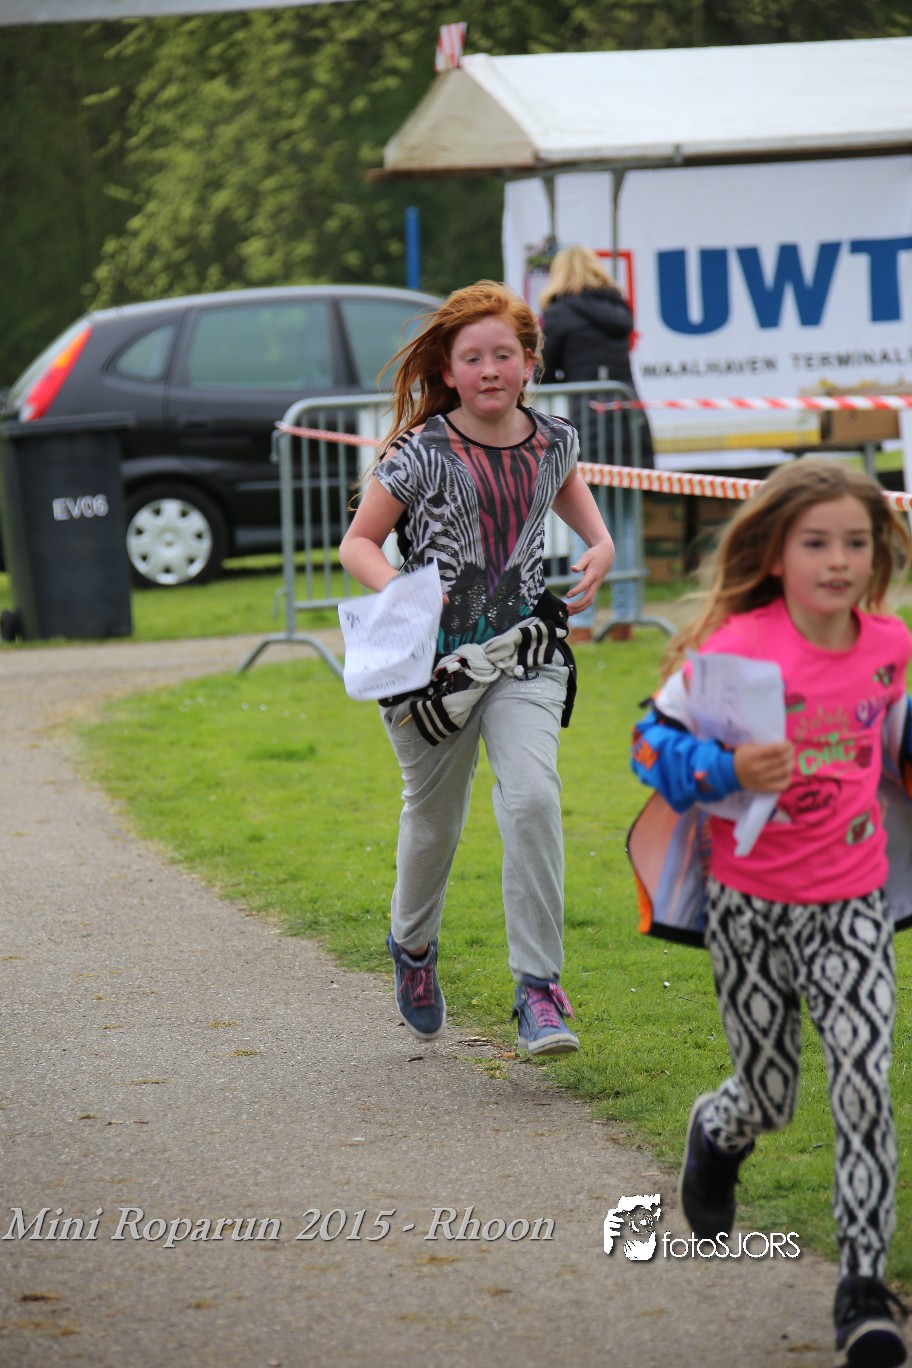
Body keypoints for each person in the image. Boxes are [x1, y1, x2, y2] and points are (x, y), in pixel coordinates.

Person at [629, 458, 912, 1368]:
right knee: (772, 1096)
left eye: (857, 543)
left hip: (854, 905)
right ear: (777, 553)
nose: (839, 561)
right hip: (749, 910)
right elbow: (648, 744)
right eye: (817, 542)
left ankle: (863, 1289)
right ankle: (718, 1133)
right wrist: (725, 770)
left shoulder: (891, 645)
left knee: (864, 1085)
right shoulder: (738, 647)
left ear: (878, 555)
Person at [339, 280, 615, 1057]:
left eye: (504, 354)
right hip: (433, 670)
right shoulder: (419, 452)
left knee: (532, 798)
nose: (489, 369)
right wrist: (403, 594)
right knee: (435, 823)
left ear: (529, 363)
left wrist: (601, 544)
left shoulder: (555, 439)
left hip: (525, 652)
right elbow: (357, 544)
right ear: (448, 370)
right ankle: (412, 947)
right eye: (472, 358)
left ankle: (539, 990)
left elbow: (568, 494)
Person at [539, 245, 654, 644]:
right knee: (626, 522)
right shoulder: (618, 310)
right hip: (628, 420)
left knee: (584, 523)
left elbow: (546, 369)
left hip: (587, 423)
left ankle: (582, 621)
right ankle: (625, 617)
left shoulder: (559, 313)